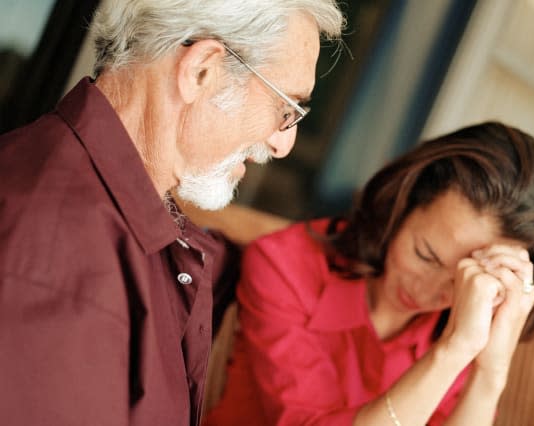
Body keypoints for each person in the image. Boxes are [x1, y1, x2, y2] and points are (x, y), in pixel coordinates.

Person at [0, 1, 344, 426]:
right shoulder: (60, 263)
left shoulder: (122, 211)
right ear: (201, 71)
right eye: (284, 109)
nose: (283, 144)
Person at [205, 122, 534, 425]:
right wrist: (454, 350)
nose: (426, 290)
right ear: (401, 206)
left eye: (460, 281)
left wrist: (491, 371)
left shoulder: (468, 320)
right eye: (425, 255)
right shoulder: (285, 263)